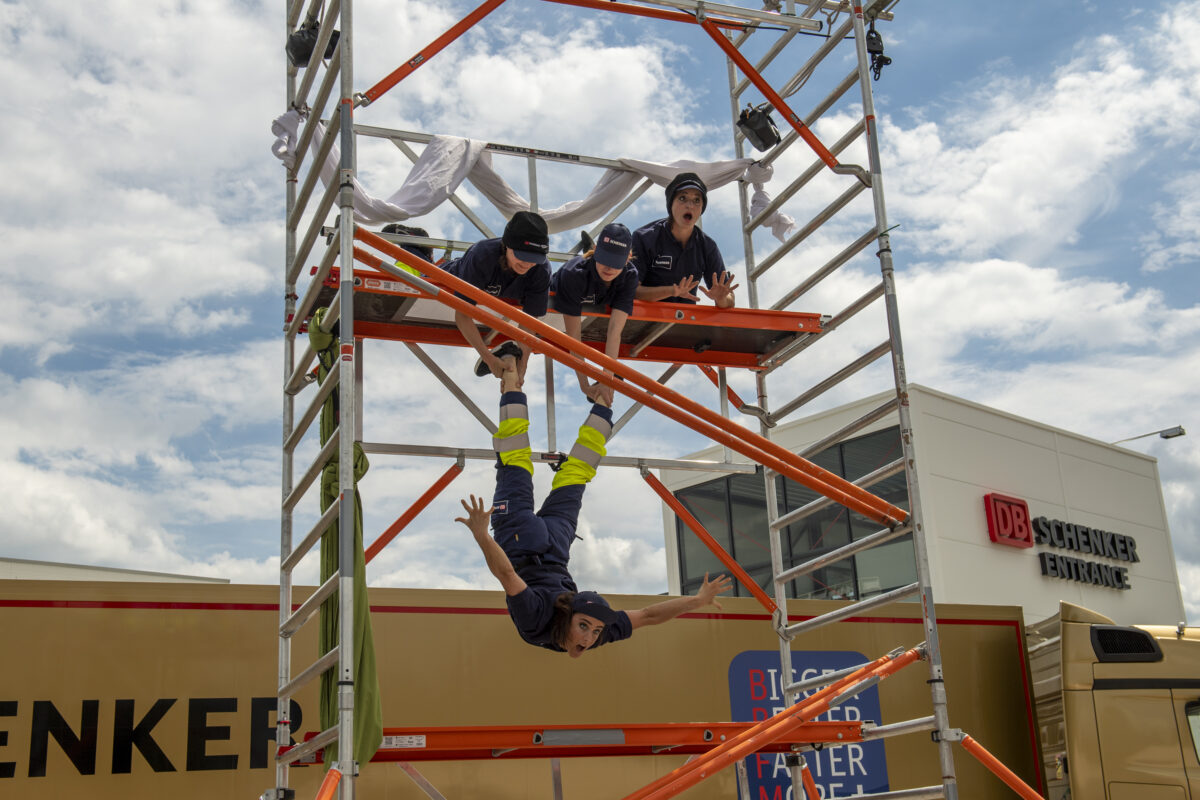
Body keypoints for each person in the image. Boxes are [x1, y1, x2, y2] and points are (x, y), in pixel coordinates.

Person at [456, 353, 733, 657]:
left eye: (587, 628)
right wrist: (697, 600)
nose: (590, 638)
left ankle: (603, 401)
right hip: (526, 542)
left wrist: (482, 535)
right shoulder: (536, 622)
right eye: (592, 628)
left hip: (552, 543)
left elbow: (509, 577)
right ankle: (510, 372)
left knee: (575, 472)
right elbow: (508, 575)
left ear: (570, 614)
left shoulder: (544, 618)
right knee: (515, 459)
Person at [442, 211, 552, 383]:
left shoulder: (541, 270)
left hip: (495, 293)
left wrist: (522, 368)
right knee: (418, 270)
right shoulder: (482, 255)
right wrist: (487, 358)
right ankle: (417, 248)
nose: (527, 264)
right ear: (507, 245)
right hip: (447, 274)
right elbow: (463, 315)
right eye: (522, 256)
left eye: (534, 259)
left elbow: (529, 325)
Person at [550, 222, 640, 405]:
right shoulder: (573, 274)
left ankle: (591, 250)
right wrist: (584, 385)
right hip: (553, 310)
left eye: (615, 263)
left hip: (593, 301)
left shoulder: (630, 275)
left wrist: (608, 379)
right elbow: (574, 337)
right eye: (604, 259)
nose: (609, 268)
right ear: (597, 251)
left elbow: (614, 332)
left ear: (627, 259)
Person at [632, 172, 738, 307]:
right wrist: (671, 291)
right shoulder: (644, 238)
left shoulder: (707, 246)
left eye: (697, 200)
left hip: (684, 325)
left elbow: (729, 302)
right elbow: (631, 290)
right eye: (682, 198)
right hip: (642, 322)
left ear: (702, 209)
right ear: (671, 204)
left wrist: (721, 298)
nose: (690, 205)